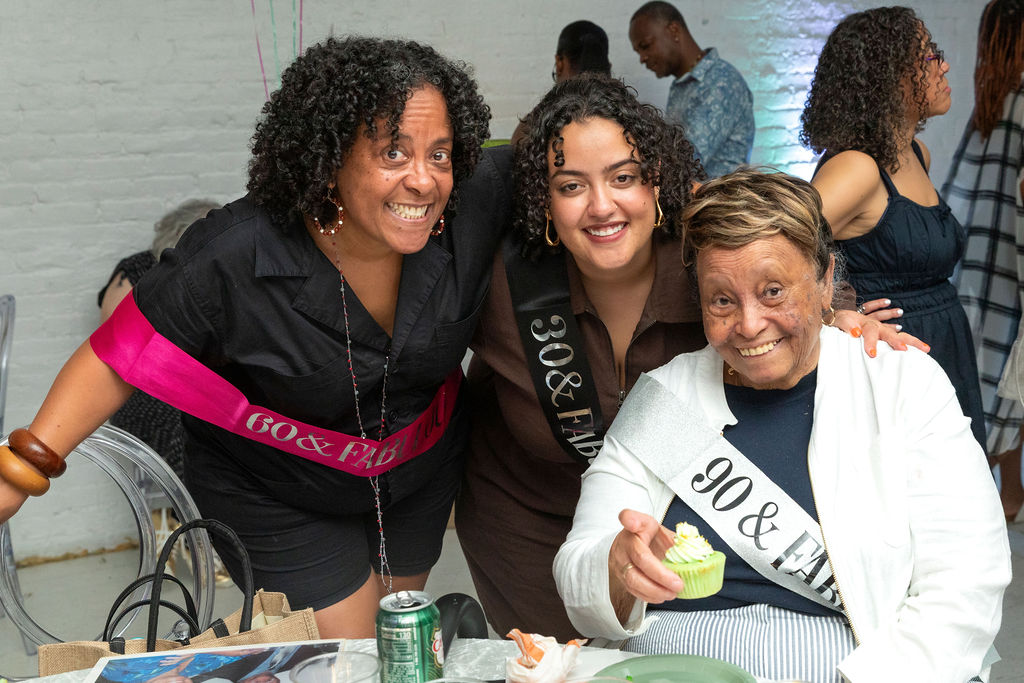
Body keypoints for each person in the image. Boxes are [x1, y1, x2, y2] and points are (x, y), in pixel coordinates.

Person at [0, 36, 507, 639]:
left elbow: (572, 159)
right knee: (351, 651)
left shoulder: (472, 206)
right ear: (330, 156)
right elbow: (120, 355)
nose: (424, 180)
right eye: (393, 153)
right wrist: (17, 474)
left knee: (394, 640)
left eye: (440, 154)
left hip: (416, 471)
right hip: (274, 491)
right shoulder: (234, 253)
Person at [456, 74, 911, 642]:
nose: (602, 206)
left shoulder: (708, 254)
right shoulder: (502, 281)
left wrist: (836, 319)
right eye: (571, 186)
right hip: (526, 519)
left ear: (657, 180)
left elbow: (788, 282)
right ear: (544, 200)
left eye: (624, 178)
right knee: (558, 669)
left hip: (679, 524)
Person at [553, 169, 1011, 682]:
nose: (749, 325)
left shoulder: (900, 385)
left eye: (773, 292)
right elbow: (577, 574)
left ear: (825, 281)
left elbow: (966, 582)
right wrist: (614, 567)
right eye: (722, 300)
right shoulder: (666, 398)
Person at [801, 6, 988, 450]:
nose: (944, 67)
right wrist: (831, 314)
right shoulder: (857, 168)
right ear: (890, 78)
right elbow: (775, 249)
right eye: (929, 57)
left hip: (945, 344)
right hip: (889, 357)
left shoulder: (918, 154)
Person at [943, 0, 1024, 522]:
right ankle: (1002, 493)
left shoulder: (991, 97)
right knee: (1011, 375)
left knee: (995, 373)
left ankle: (1007, 491)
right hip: (1013, 257)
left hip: (980, 261)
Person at [98, 199, 219, 480]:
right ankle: (195, 500)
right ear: (178, 237)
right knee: (192, 429)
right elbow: (116, 343)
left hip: (204, 388)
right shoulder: (137, 270)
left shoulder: (217, 275)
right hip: (142, 391)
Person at [628, 1, 754, 178]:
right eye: (638, 52)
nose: (642, 58)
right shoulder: (681, 85)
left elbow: (687, 161)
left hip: (720, 195)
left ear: (674, 30)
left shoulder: (721, 81)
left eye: (646, 45)